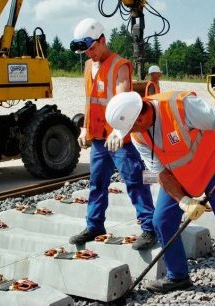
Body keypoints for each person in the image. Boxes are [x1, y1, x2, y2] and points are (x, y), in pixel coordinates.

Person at [105, 91, 215, 305]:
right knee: (161, 220)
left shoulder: (179, 105)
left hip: (212, 166)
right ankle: (178, 276)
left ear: (140, 117)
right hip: (179, 178)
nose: (130, 132)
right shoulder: (137, 135)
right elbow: (159, 172)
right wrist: (183, 201)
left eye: (132, 126)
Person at [68, 18, 156, 250]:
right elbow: (90, 100)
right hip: (98, 138)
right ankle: (95, 224)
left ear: (102, 40)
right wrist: (86, 126)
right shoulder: (88, 66)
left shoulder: (120, 65)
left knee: (135, 181)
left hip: (119, 140)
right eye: (86, 50)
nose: (90, 54)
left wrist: (119, 130)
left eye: (93, 48)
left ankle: (149, 228)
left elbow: (123, 101)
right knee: (97, 183)